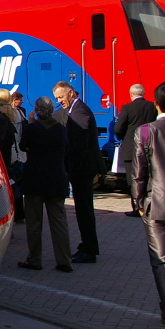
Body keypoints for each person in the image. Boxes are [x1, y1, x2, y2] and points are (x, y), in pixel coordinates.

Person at [133, 81, 165, 329]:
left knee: (162, 262)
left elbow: (139, 172)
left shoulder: (147, 132)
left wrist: (138, 201)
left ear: (156, 104)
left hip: (157, 204)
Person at [17, 97, 73, 272]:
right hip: (57, 179)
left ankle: (35, 259)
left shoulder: (32, 128)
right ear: (51, 110)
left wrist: (32, 121)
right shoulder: (61, 130)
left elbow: (23, 145)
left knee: (34, 222)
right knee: (59, 221)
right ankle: (64, 260)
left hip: (35, 179)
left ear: (36, 109)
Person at [53, 81, 103, 263]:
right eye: (57, 98)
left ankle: (89, 249)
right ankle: (87, 246)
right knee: (83, 210)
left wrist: (72, 167)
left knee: (84, 210)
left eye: (61, 96)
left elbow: (80, 143)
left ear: (71, 93)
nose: (59, 101)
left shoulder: (79, 111)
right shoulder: (75, 109)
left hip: (82, 169)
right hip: (81, 167)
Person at [115, 84, 158, 217]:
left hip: (131, 148)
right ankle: (149, 206)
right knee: (148, 177)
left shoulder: (127, 108)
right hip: (150, 147)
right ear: (144, 93)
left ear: (131, 94)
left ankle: (136, 207)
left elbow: (118, 128)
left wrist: (123, 138)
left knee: (132, 179)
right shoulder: (152, 107)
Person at [0, 88, 27, 223]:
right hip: (18, 154)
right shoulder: (18, 113)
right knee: (17, 185)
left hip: (5, 155)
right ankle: (20, 215)